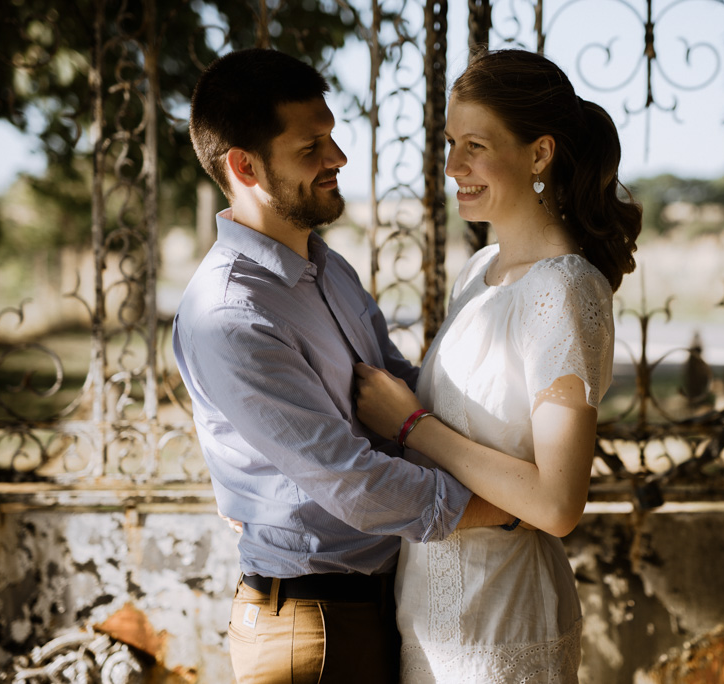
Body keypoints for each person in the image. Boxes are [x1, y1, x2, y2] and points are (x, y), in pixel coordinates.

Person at [173, 48, 516, 684]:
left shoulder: (326, 267)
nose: (338, 159)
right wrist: (507, 507)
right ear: (244, 166)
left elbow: (402, 397)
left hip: (382, 600)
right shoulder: (231, 315)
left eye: (332, 136)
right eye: (312, 148)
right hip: (314, 628)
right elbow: (353, 482)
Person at [354, 48, 642, 683]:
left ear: (539, 154)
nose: (453, 166)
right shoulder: (480, 271)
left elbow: (558, 503)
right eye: (451, 143)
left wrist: (413, 426)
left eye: (476, 145)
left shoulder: (563, 291)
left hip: (503, 632)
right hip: (428, 616)